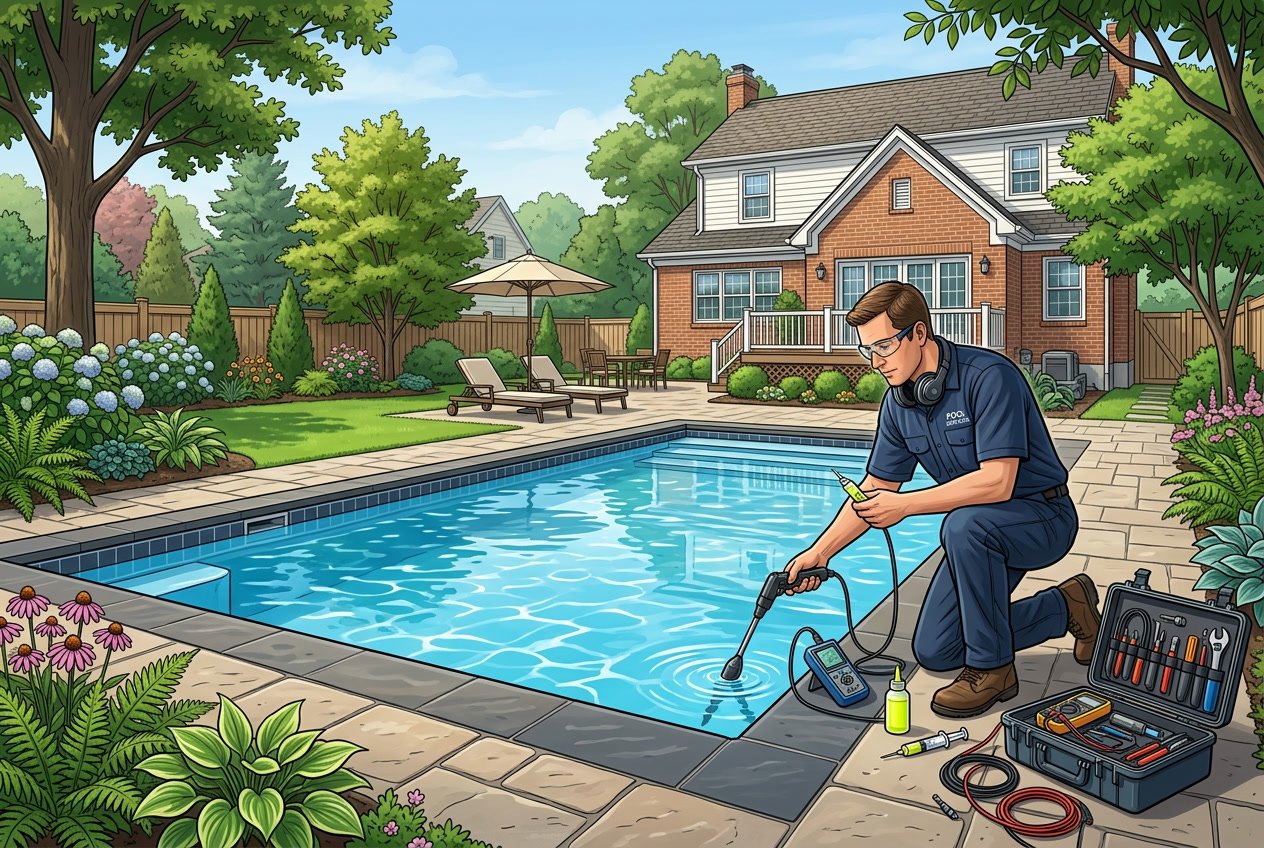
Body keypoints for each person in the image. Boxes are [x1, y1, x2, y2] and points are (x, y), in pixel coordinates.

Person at [783, 281, 1100, 718]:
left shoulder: (990, 376)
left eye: (884, 347)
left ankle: (994, 671)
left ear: (918, 334)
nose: (876, 363)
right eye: (867, 351)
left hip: (1041, 517)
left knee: (962, 525)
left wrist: (907, 505)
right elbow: (876, 488)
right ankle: (1067, 606)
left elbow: (997, 484)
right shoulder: (899, 404)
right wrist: (819, 554)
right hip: (978, 534)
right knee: (936, 650)